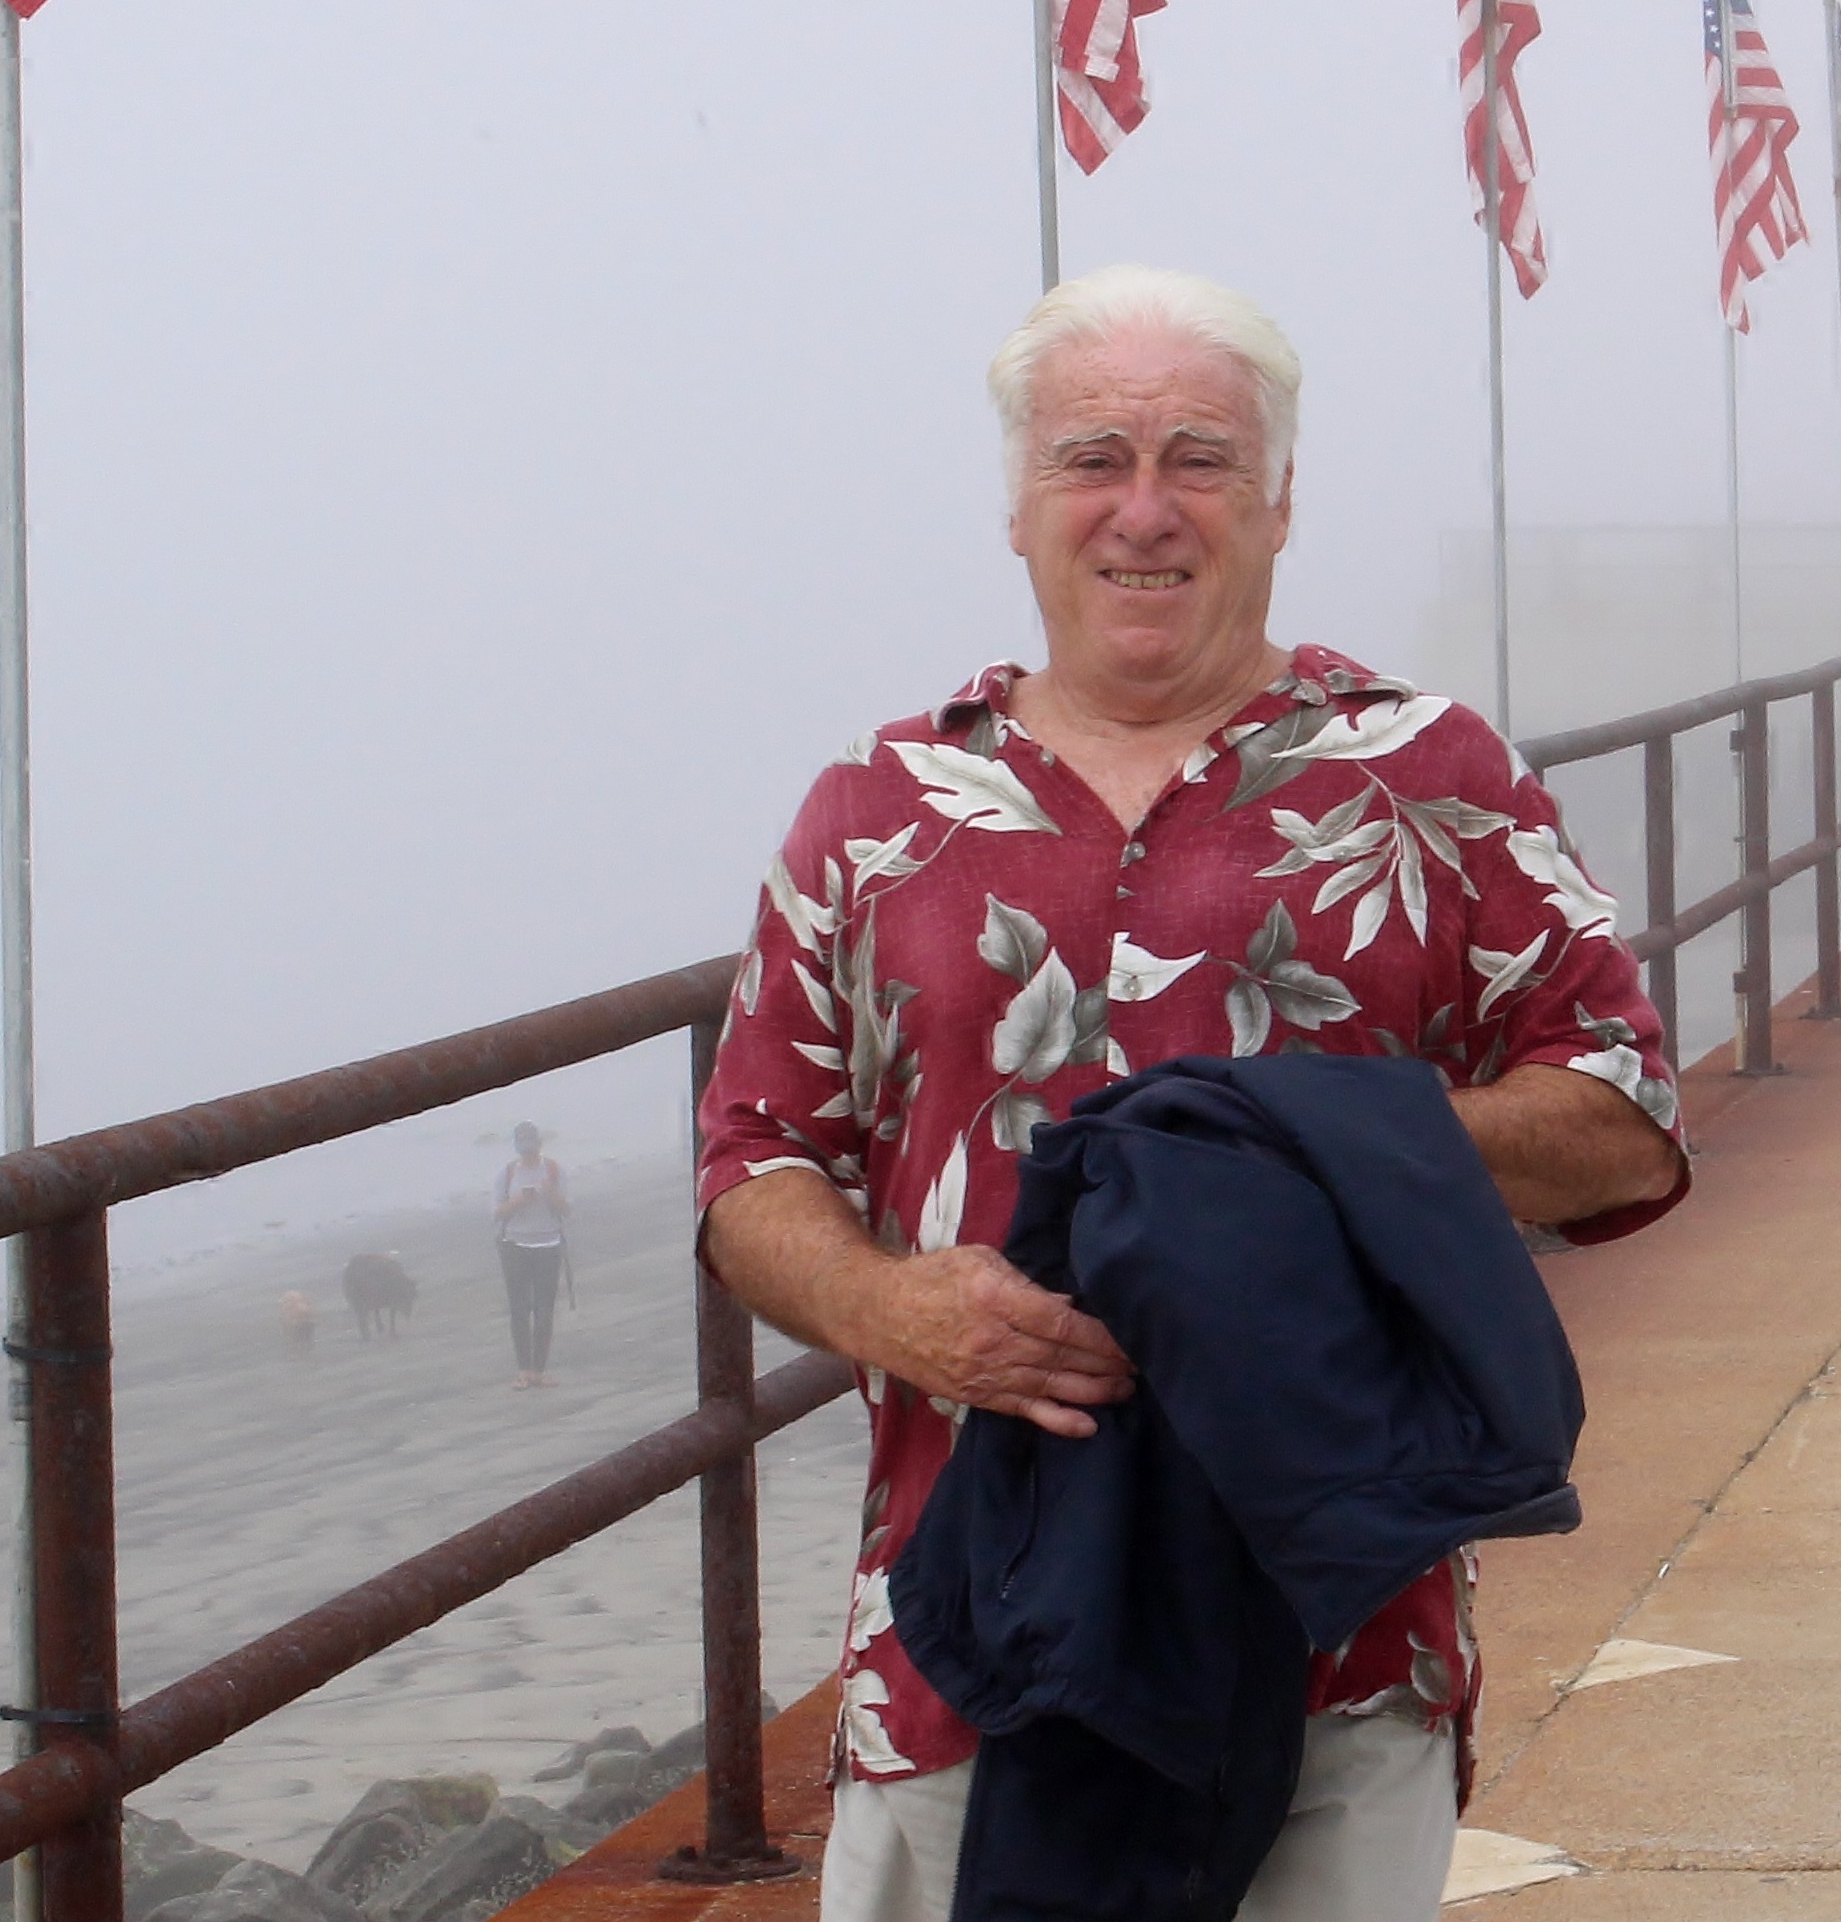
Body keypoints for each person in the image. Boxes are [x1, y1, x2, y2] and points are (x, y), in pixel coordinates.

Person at [693, 264, 1686, 1922]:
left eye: (1199, 461)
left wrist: (1318, 1144)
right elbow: (751, 1164)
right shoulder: (877, 810)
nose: (1143, 510)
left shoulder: (1429, 774)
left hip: (1336, 1646)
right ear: (1019, 507)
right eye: (1092, 459)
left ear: (1278, 501)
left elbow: (1623, 1120)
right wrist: (887, 1306)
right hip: (960, 1633)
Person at [494, 1122, 571, 1388]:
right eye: (523, 1146)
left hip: (548, 1244)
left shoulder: (554, 1170)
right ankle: (523, 1370)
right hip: (514, 1245)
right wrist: (518, 1201)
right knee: (519, 1308)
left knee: (544, 1309)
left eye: (531, 1145)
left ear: (539, 1143)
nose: (528, 1151)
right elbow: (497, 1212)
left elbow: (566, 1209)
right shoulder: (506, 1173)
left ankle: (539, 1370)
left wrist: (550, 1193)